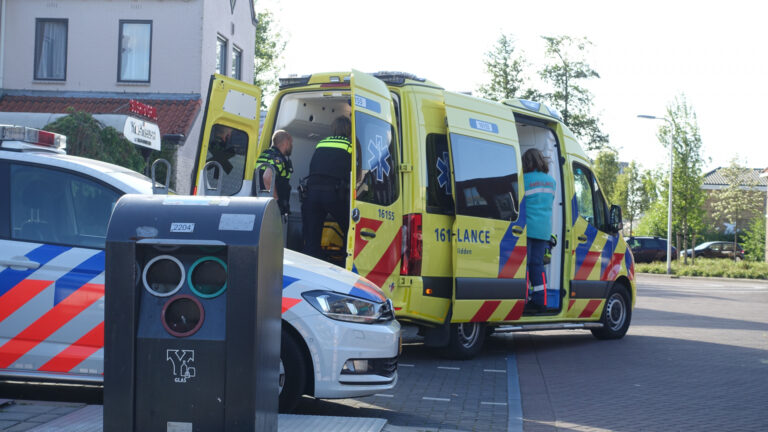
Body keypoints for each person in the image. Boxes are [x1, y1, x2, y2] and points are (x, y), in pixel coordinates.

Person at [302, 116, 352, 261]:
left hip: (312, 193)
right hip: (333, 194)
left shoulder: (321, 143)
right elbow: (354, 172)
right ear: (348, 129)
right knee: (350, 228)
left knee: (312, 235)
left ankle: (312, 266)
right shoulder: (349, 146)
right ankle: (344, 260)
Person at [523, 148, 556, 310]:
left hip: (527, 229)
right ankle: (541, 300)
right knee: (537, 264)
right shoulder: (552, 182)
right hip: (543, 230)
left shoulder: (523, 180)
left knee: (524, 264)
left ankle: (523, 299)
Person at [256, 129, 293, 216]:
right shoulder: (277, 159)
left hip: (260, 204)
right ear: (286, 142)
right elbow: (267, 177)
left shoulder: (264, 154)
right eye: (291, 143)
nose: (292, 145)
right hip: (271, 209)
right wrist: (276, 202)